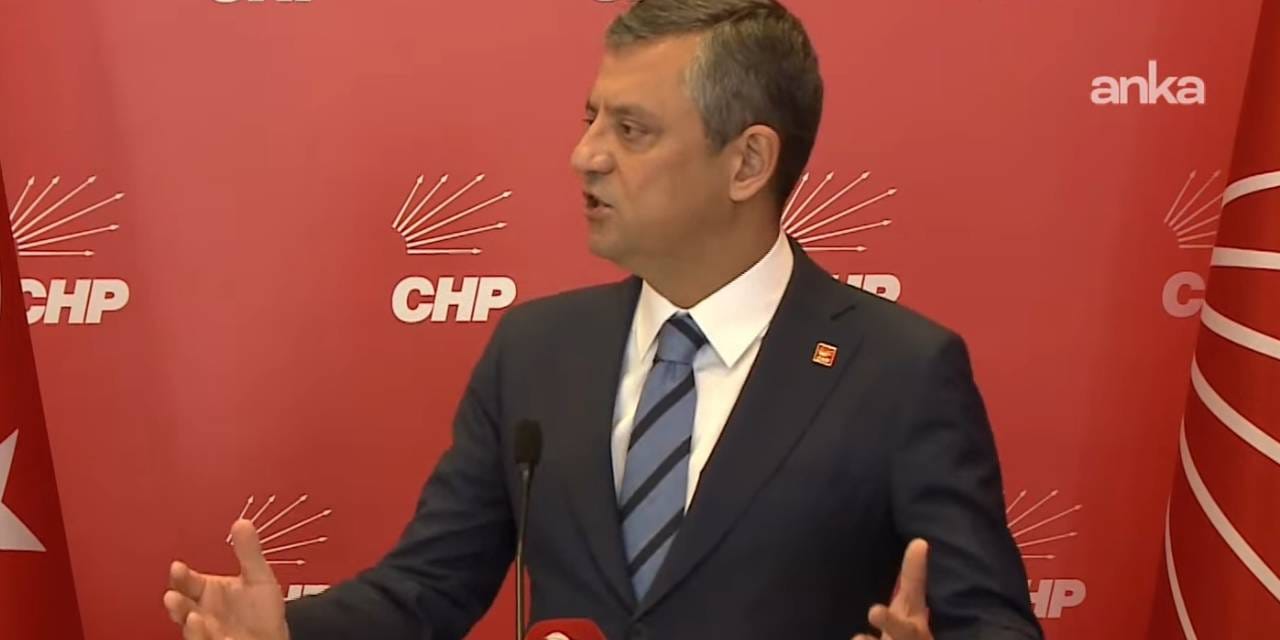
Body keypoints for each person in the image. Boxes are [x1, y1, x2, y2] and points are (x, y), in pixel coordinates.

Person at [162, 1, 1043, 638]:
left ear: (747, 162)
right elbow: (429, 585)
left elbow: (993, 621)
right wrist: (289, 631)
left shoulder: (899, 370)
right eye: (590, 118)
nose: (584, 155)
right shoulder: (537, 350)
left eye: (631, 130)